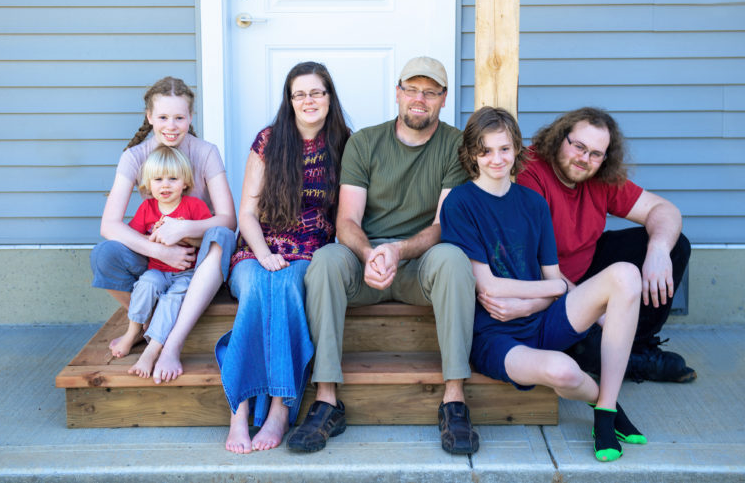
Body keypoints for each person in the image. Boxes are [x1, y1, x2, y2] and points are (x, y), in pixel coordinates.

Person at [288, 56, 479, 455]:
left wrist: (399, 250)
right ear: (397, 92)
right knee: (324, 260)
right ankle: (326, 399)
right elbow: (346, 221)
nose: (419, 99)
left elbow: (444, 225)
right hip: (366, 263)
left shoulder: (454, 145)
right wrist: (372, 252)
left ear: (444, 99)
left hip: (419, 266)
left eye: (430, 92)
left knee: (454, 259)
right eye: (411, 89)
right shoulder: (365, 142)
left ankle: (455, 398)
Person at [441, 106, 645, 462]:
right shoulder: (460, 203)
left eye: (504, 148)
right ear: (472, 153)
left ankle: (606, 412)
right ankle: (602, 400)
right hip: (495, 335)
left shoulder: (533, 203)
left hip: (542, 320)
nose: (496, 159)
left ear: (518, 149)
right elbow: (490, 287)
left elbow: (554, 278)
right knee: (563, 371)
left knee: (626, 273)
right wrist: (551, 291)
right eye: (485, 150)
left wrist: (541, 296)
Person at [215, 61, 351, 454]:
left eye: (317, 92)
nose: (309, 100)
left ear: (329, 97)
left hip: (311, 250)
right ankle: (238, 412)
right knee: (258, 287)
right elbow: (246, 212)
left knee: (288, 287)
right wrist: (262, 253)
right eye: (299, 94)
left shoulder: (344, 143)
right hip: (257, 246)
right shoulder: (269, 140)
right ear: (289, 101)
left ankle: (279, 407)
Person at [516, 107, 694, 383]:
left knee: (674, 244)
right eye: (578, 146)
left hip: (588, 265)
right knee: (583, 348)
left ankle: (637, 346)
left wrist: (658, 251)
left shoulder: (598, 176)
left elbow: (663, 209)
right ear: (559, 137)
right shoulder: (531, 172)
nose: (584, 159)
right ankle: (626, 358)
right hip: (548, 285)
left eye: (596, 154)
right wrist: (593, 314)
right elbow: (531, 262)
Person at [90, 76, 237, 382]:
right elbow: (109, 224)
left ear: (191, 118)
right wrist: (160, 250)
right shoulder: (135, 157)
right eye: (163, 117)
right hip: (155, 259)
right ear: (149, 118)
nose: (171, 125)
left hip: (198, 261)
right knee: (105, 253)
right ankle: (150, 321)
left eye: (179, 117)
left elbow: (228, 219)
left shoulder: (205, 152)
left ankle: (170, 341)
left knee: (221, 236)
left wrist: (183, 227)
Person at [109, 146, 212, 375]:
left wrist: (184, 236)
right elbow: (135, 238)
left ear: (185, 182)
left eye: (173, 178)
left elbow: (208, 240)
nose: (165, 185)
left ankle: (151, 351)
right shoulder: (147, 208)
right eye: (158, 179)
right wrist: (153, 237)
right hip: (157, 270)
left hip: (186, 273)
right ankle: (131, 332)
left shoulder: (195, 207)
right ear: (148, 184)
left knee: (171, 300)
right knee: (145, 285)